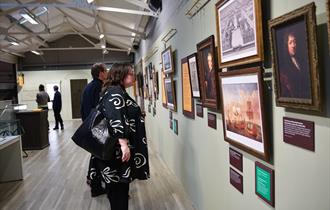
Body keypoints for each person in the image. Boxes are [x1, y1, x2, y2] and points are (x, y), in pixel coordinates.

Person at [94, 63, 150, 210]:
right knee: (118, 194)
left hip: (115, 153)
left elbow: (121, 114)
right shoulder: (115, 92)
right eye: (131, 73)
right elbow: (116, 118)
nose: (133, 76)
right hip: (116, 153)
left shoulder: (116, 91)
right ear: (121, 75)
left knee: (119, 193)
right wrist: (124, 144)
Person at [80, 63, 108, 197]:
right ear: (101, 73)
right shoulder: (98, 87)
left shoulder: (89, 86)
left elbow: (83, 109)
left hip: (90, 125)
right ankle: (96, 186)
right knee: (98, 156)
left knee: (96, 155)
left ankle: (92, 180)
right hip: (97, 126)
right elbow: (100, 108)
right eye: (105, 71)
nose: (107, 73)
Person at [279, 31, 311, 99]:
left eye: (294, 42)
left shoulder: (301, 60)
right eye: (290, 43)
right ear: (286, 46)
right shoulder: (284, 66)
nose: (293, 45)